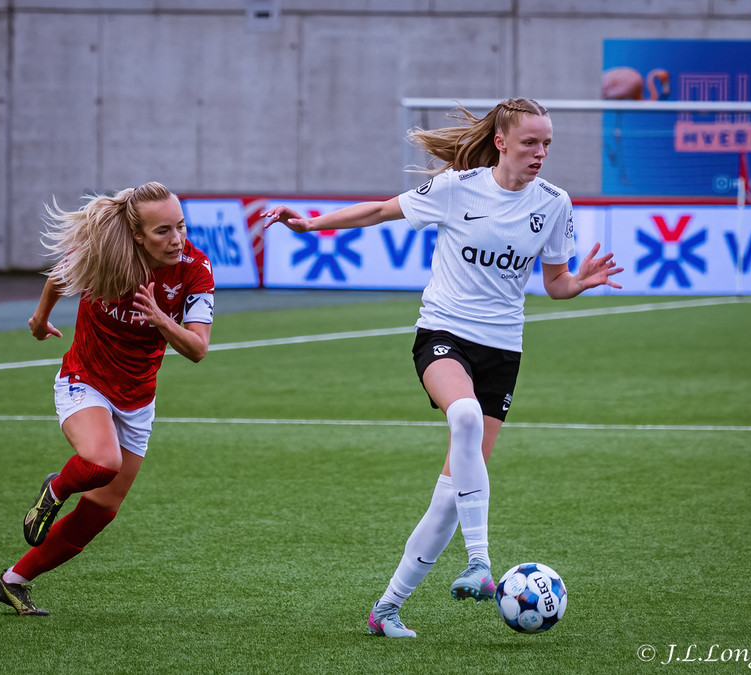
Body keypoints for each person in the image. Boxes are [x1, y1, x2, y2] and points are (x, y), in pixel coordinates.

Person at [263, 98, 623, 638]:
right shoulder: (457, 188)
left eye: (547, 143)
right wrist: (312, 223)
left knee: (451, 498)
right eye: (530, 142)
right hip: (443, 336)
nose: (540, 153)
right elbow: (380, 211)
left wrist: (579, 282)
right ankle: (481, 562)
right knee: (465, 418)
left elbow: (554, 283)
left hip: (503, 353)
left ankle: (387, 609)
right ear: (501, 142)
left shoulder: (554, 203)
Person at [0, 181, 215, 616]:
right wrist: (40, 320)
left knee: (101, 511)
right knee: (100, 463)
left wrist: (161, 320)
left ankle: (13, 581)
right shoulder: (107, 255)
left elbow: (197, 349)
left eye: (181, 226)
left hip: (138, 398)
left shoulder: (195, 268)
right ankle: (55, 489)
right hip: (85, 379)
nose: (177, 239)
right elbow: (59, 276)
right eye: (163, 231)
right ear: (137, 235)